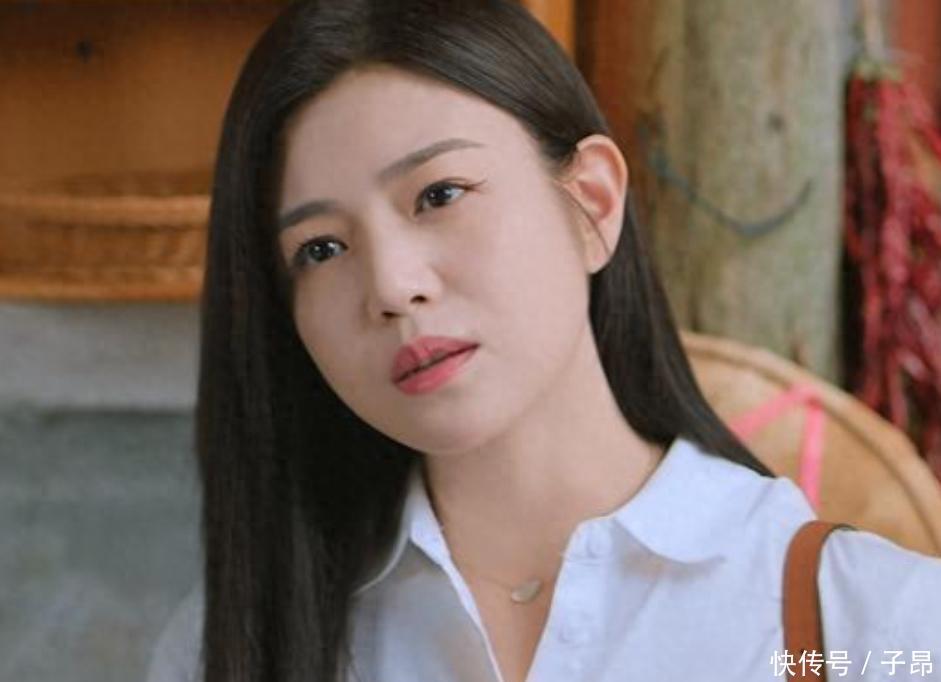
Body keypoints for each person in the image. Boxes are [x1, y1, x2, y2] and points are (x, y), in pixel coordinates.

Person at [146, 1, 941, 681]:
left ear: (590, 202)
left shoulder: (879, 627)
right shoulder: (229, 646)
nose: (390, 285)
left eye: (438, 194)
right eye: (320, 248)